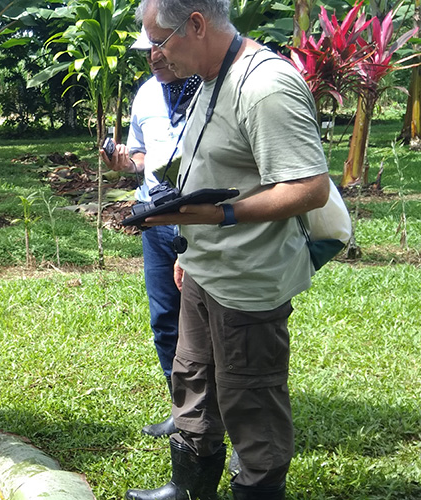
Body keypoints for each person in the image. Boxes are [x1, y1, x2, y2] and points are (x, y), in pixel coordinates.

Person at [125, 1, 331, 499]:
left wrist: (221, 216)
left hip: (246, 278)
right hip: (203, 266)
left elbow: (311, 187)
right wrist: (186, 247)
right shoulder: (210, 77)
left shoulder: (264, 86)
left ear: (196, 24)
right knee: (192, 379)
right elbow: (215, 170)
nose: (155, 54)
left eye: (160, 40)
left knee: (250, 399)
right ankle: (189, 487)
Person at [101, 28, 202, 438]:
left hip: (201, 217)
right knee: (165, 321)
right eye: (148, 51)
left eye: (160, 47)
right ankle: (184, 411)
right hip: (157, 222)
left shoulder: (211, 90)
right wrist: (121, 161)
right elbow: (141, 155)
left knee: (210, 323)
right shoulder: (145, 94)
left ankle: (220, 416)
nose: (154, 58)